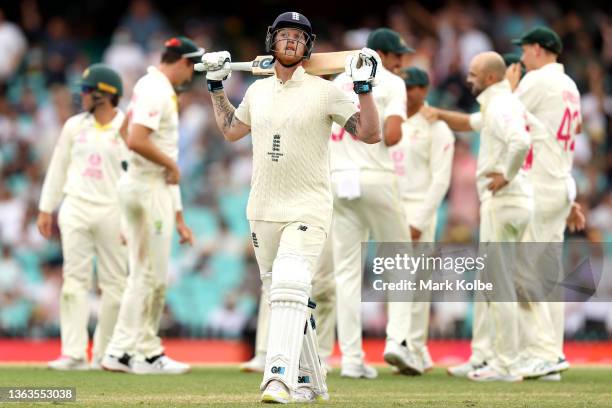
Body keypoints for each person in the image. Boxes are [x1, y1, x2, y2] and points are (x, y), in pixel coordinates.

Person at [200, 11, 381, 403]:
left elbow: (370, 133)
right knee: (284, 297)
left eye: (299, 37)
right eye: (285, 35)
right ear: (272, 41)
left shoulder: (325, 90)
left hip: (308, 207)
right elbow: (232, 131)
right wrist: (216, 87)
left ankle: (277, 378)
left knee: (290, 285)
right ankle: (313, 382)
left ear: (308, 47)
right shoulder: (257, 91)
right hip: (262, 208)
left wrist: (364, 88)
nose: (291, 41)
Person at [423, 52, 532, 381]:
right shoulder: (497, 102)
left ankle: (506, 364)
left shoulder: (500, 105)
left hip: (505, 199)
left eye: (472, 73)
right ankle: (484, 355)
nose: (467, 77)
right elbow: (469, 123)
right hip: (510, 202)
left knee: (499, 287)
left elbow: (521, 142)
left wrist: (506, 175)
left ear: (488, 78)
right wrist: (436, 113)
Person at [101, 36, 200, 375]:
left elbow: (125, 130)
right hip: (147, 188)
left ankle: (131, 351)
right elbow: (136, 138)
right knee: (151, 276)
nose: (192, 76)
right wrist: (170, 167)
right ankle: (138, 352)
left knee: (144, 273)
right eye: (193, 67)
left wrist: (179, 215)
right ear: (183, 62)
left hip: (141, 186)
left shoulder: (147, 85)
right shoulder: (157, 89)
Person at [330, 27, 413, 379]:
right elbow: (391, 137)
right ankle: (397, 341)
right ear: (383, 53)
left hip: (337, 178)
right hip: (376, 175)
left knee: (347, 272)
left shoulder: (335, 82)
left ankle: (351, 359)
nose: (401, 62)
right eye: (398, 55)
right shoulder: (392, 82)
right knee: (401, 260)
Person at [506, 26, 585, 380]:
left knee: (525, 273)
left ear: (537, 49)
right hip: (561, 184)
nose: (521, 58)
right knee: (548, 277)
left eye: (524, 50)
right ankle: (551, 355)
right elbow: (575, 132)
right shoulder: (570, 85)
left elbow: (504, 114)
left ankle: (542, 353)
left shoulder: (538, 81)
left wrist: (508, 88)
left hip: (539, 185)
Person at [38, 64, 128, 370]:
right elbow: (58, 168)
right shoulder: (74, 126)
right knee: (73, 281)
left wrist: (131, 220)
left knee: (114, 284)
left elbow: (137, 179)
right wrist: (46, 208)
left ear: (107, 94)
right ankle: (73, 353)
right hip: (75, 207)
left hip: (113, 211)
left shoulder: (127, 128)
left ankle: (104, 353)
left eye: (88, 90)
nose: (82, 95)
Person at [385, 67, 454, 375]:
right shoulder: (394, 121)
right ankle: (411, 348)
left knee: (414, 283)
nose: (407, 92)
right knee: (397, 282)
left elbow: (441, 180)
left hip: (418, 209)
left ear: (424, 90)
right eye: (404, 86)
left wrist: (421, 220)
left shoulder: (436, 127)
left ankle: (412, 346)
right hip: (391, 208)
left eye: (412, 87)